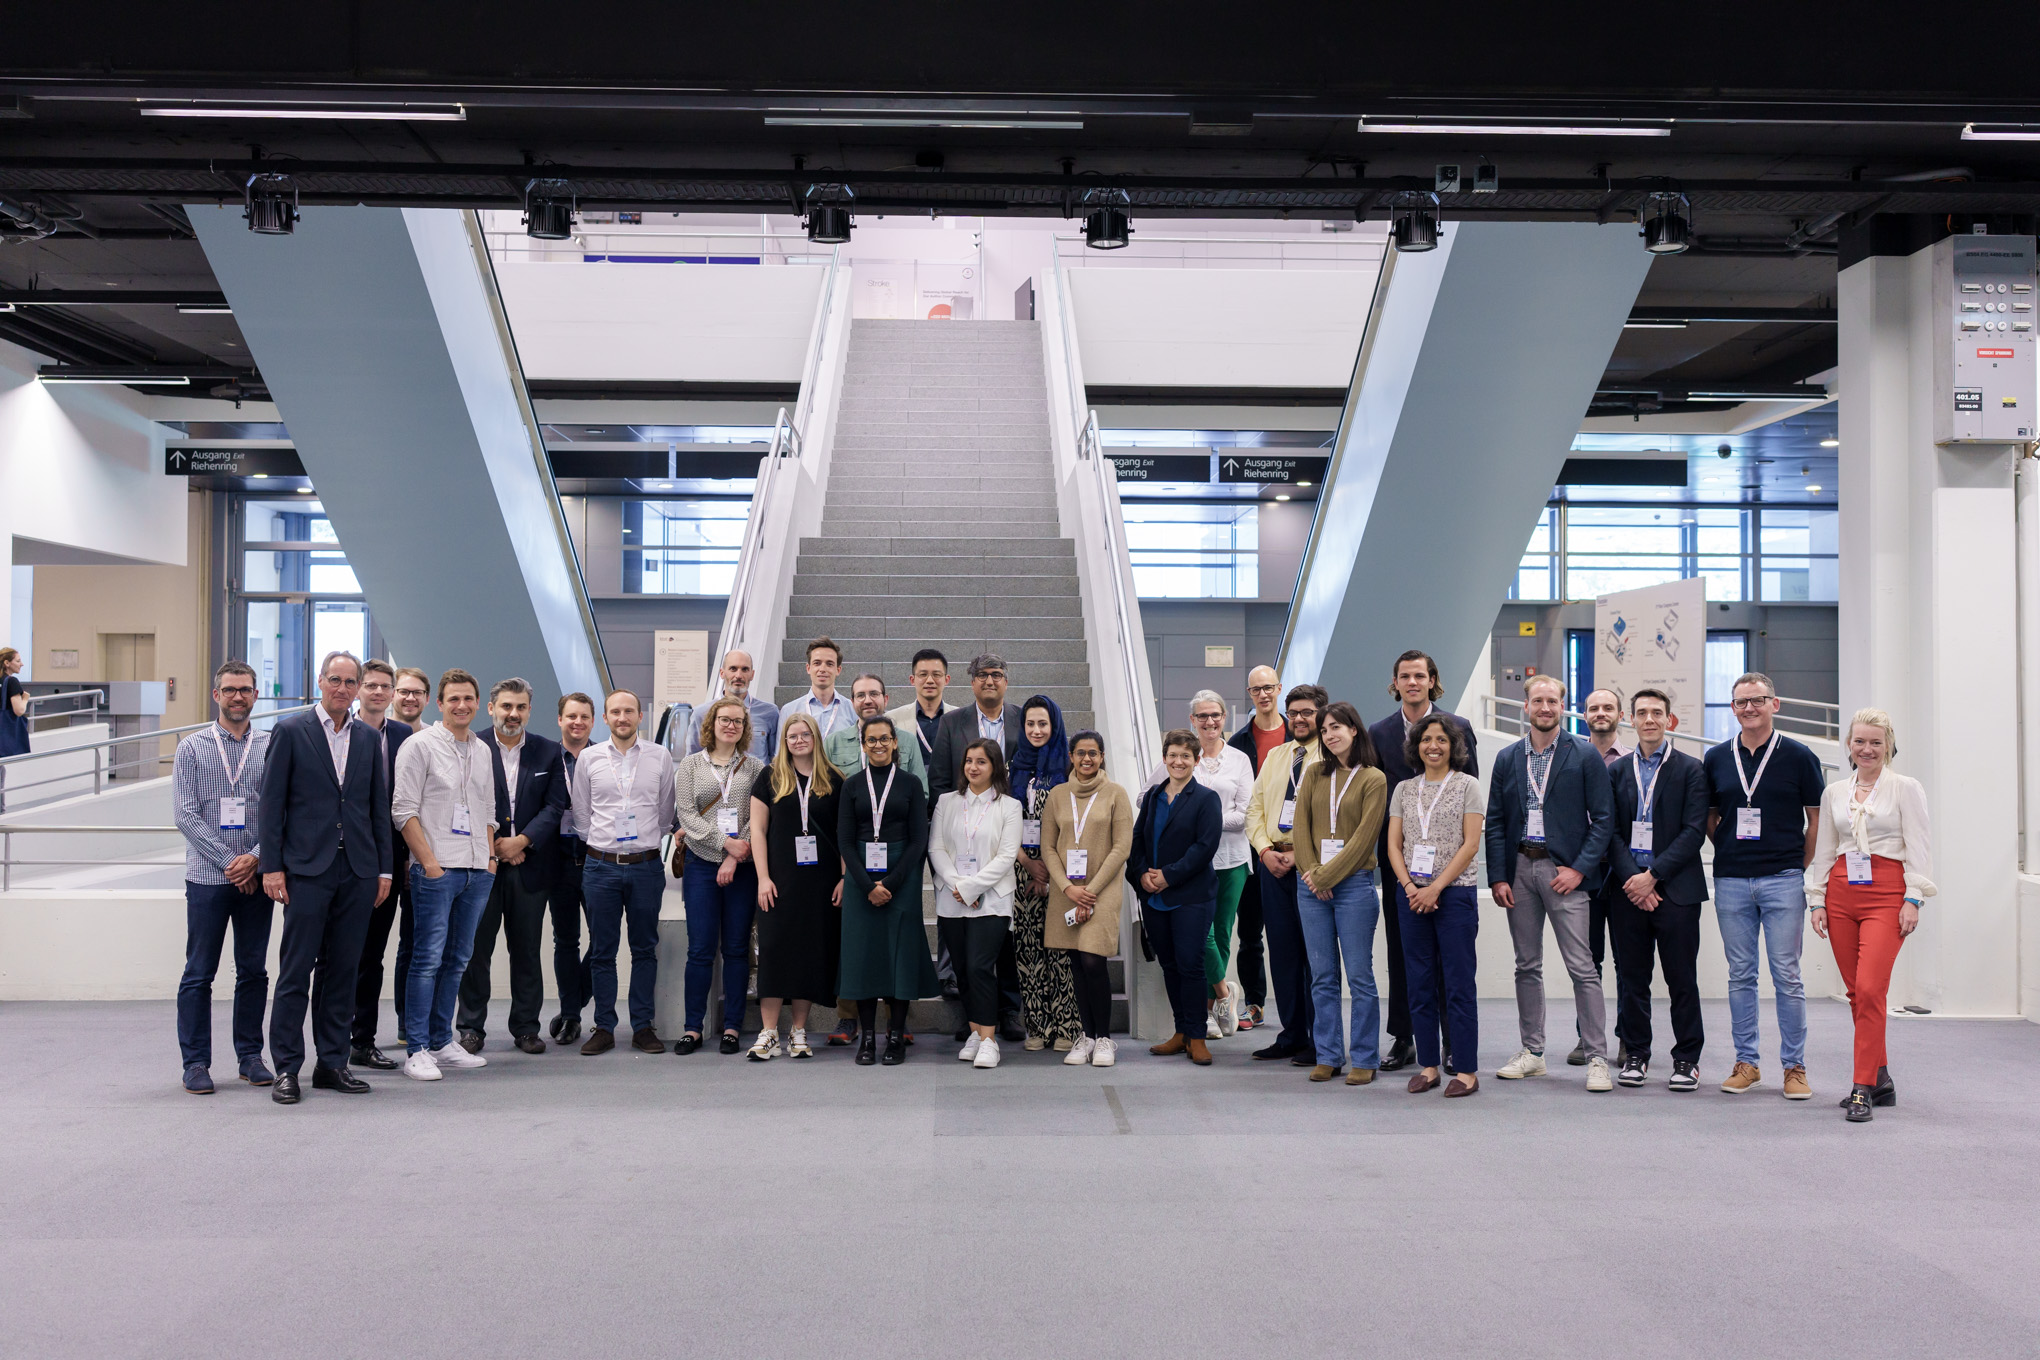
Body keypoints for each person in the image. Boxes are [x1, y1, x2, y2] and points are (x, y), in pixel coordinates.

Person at [256, 650, 392, 1105]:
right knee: (296, 971)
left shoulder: (368, 738)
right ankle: (286, 1068)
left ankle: (332, 1063)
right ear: (320, 681)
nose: (343, 688)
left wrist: (383, 869)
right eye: (335, 679)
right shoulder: (291, 731)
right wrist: (271, 866)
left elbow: (376, 808)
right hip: (306, 870)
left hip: (357, 870)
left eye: (351, 682)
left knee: (343, 972)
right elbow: (271, 804)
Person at [1484, 675, 1616, 1093]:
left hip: (1564, 873)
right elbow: (1496, 821)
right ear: (1526, 706)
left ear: (1562, 706)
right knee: (1526, 965)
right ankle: (1533, 1052)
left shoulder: (1584, 754)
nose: (1545, 708)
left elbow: (1604, 819)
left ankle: (1597, 1058)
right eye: (1537, 701)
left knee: (1582, 967)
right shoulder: (1507, 757)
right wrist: (1498, 876)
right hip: (1520, 869)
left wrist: (1579, 869)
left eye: (1552, 701)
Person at [1807, 708, 1934, 1123]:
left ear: (1888, 746)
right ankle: (1880, 1078)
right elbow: (1825, 849)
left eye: (1876, 742)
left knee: (1870, 988)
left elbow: (1919, 847)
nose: (1867, 749)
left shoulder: (1905, 788)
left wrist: (1913, 898)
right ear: (1848, 745)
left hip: (1887, 892)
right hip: (1841, 893)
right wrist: (1817, 899)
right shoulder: (1835, 792)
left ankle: (1861, 1087)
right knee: (1857, 993)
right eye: (1859, 741)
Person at [1703, 671, 1827, 1098]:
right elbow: (1711, 816)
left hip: (1783, 879)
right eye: (1741, 702)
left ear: (1775, 704)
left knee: (1787, 976)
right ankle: (1747, 1063)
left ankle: (1794, 1067)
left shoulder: (1800, 756)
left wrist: (1796, 864)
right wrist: (1731, 850)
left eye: (1757, 700)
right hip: (1732, 880)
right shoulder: (1717, 757)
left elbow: (1816, 820)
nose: (1749, 708)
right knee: (1740, 975)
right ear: (1733, 709)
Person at [1365, 650, 1480, 1072]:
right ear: (1395, 683)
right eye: (1404, 676)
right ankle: (1404, 1037)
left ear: (1432, 680)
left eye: (1419, 675)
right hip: (1402, 867)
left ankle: (1451, 1042)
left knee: (1450, 961)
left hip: (1450, 869)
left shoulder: (1457, 727)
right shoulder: (1378, 732)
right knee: (1403, 955)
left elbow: (1470, 791)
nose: (1412, 682)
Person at [171, 661, 275, 1094]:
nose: (237, 697)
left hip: (257, 878)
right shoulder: (192, 748)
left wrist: (254, 859)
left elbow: (283, 810)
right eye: (230, 689)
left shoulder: (271, 745)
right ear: (216, 695)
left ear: (256, 695)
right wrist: (232, 863)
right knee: (199, 972)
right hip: (207, 879)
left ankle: (250, 1057)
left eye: (245, 690)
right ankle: (196, 1063)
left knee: (253, 971)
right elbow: (185, 814)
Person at [391, 668, 498, 1083]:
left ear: (478, 704)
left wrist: (489, 859)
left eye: (468, 698)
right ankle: (416, 1048)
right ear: (440, 703)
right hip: (437, 870)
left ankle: (440, 1041)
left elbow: (488, 809)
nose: (462, 705)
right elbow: (403, 810)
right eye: (453, 698)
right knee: (427, 960)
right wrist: (430, 864)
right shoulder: (419, 745)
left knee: (458, 961)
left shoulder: (482, 749)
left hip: (476, 869)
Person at [1603, 688, 1709, 1091]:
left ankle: (1687, 1059)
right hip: (1627, 891)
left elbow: (1693, 832)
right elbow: (1609, 830)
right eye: (1642, 713)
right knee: (1632, 979)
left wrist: (1653, 876)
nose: (1649, 719)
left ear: (1670, 720)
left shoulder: (1691, 769)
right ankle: (1636, 1054)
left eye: (1657, 713)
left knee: (1682, 979)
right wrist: (1634, 878)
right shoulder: (1616, 771)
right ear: (1630, 719)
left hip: (1676, 891)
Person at [457, 678, 568, 1055]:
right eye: (506, 706)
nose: (513, 714)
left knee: (527, 951)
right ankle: (471, 1028)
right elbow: (461, 802)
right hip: (480, 867)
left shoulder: (548, 751)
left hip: (529, 866)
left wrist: (522, 841)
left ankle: (526, 1028)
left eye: (520, 707)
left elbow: (555, 806)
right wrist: (495, 848)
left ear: (529, 711)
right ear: (491, 708)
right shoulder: (472, 747)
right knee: (475, 951)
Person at [569, 689, 677, 1055]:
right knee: (602, 951)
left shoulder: (660, 757)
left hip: (646, 866)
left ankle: (642, 1026)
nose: (622, 717)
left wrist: (641, 842)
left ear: (640, 716)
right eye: (615, 712)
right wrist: (606, 844)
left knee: (644, 949)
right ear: (605, 718)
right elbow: (581, 815)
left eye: (629, 711)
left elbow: (665, 813)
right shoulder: (589, 758)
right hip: (601, 866)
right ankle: (604, 1027)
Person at [1385, 712, 1484, 1097]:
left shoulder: (1468, 785)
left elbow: (1471, 844)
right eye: (1426, 739)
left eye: (1441, 739)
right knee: (1419, 983)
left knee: (1458, 984)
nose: (1433, 746)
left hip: (1454, 894)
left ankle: (1467, 1070)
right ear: (1416, 746)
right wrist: (1411, 886)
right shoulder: (1404, 790)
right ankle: (1428, 1066)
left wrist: (1436, 888)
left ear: (1453, 745)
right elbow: (1394, 846)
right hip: (1411, 896)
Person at [1292, 701, 1390, 1084]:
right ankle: (1329, 1054)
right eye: (1324, 730)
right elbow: (1300, 829)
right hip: (1311, 885)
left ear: (1353, 729)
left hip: (1353, 886)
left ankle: (1365, 1057)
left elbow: (1365, 839)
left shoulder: (1373, 779)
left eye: (1336, 727)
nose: (1329, 734)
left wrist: (1327, 876)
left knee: (1359, 976)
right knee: (1322, 976)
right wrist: (1314, 875)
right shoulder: (1314, 773)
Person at [928, 653, 1025, 1039]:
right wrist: (953, 819)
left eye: (996, 674)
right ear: (971, 682)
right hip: (961, 836)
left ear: (1006, 681)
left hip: (1004, 830)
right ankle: (972, 1020)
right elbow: (940, 778)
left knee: (1004, 941)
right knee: (967, 955)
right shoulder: (953, 722)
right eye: (982, 675)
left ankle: (1009, 1009)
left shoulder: (1022, 718)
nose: (989, 680)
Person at [1150, 691, 1254, 1040]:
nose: (1210, 721)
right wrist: (1186, 820)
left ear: (1224, 717)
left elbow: (1246, 814)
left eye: (1215, 715)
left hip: (1230, 860)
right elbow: (1145, 797)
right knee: (1202, 936)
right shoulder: (1182, 756)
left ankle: (1208, 1011)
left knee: (1221, 933)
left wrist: (1201, 820)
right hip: (1189, 864)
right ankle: (1224, 993)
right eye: (1202, 716)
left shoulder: (1239, 759)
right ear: (1192, 720)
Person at [836, 715, 939, 1066]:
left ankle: (895, 1036)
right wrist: (867, 885)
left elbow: (919, 839)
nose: (878, 745)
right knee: (863, 956)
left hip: (902, 876)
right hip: (860, 876)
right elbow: (844, 840)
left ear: (895, 742)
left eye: (884, 739)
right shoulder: (852, 785)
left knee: (900, 954)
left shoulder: (910, 783)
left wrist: (890, 883)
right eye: (871, 740)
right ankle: (867, 1037)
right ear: (863, 745)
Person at [671, 697, 766, 1055]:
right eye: (725, 719)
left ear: (745, 728)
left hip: (742, 868)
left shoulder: (755, 767)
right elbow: (687, 815)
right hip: (700, 866)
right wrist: (724, 844)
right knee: (700, 950)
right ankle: (693, 1028)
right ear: (711, 724)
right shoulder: (691, 765)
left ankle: (732, 1027)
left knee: (737, 949)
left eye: (738, 721)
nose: (732, 726)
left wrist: (734, 856)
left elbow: (757, 818)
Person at [746, 712, 842, 1060]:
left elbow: (843, 835)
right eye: (792, 736)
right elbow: (757, 830)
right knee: (773, 953)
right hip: (778, 881)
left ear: (816, 738)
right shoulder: (769, 777)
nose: (799, 741)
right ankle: (769, 1032)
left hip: (820, 883)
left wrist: (844, 877)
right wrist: (762, 877)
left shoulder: (834, 779)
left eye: (805, 735)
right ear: (784, 742)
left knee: (809, 954)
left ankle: (798, 1031)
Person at [1129, 729, 1224, 1066]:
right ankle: (1181, 1031)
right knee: (1169, 965)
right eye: (1173, 755)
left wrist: (1168, 875)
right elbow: (1137, 839)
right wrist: (1142, 873)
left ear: (1197, 760)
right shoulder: (1153, 796)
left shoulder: (1207, 799)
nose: (1178, 761)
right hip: (1154, 896)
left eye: (1185, 756)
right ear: (1164, 759)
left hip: (1191, 895)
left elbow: (1205, 847)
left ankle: (1197, 1036)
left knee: (1190, 964)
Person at [1243, 684, 1327, 1066]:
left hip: (1313, 868)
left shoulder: (1332, 756)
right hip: (1273, 866)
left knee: (1315, 956)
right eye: (1293, 713)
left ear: (1321, 714)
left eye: (1307, 712)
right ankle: (1291, 1034)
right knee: (1283, 953)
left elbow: (1332, 816)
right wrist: (1264, 851)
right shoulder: (1277, 756)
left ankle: (1319, 1038)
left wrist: (1301, 854)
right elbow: (1255, 810)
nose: (1299, 719)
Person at [1043, 730, 1137, 1067]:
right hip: (1067, 889)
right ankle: (1086, 1037)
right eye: (1081, 753)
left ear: (1102, 757)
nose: (1087, 759)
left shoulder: (1116, 793)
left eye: (1093, 753)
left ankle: (1104, 1038)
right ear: (1071, 756)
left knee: (1094, 960)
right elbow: (1048, 848)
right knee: (1075, 963)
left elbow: (1122, 847)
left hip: (1102, 888)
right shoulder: (1057, 795)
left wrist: (1090, 891)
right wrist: (1068, 888)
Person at [346, 659, 413, 1071]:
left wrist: (402, 859)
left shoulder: (404, 735)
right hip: (344, 861)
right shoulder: (342, 732)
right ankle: (332, 1042)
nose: (378, 692)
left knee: (372, 957)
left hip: (389, 861)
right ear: (358, 689)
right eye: (370, 685)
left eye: (385, 686)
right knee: (340, 956)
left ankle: (363, 1041)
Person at [1007, 695, 1083, 1051]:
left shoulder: (1069, 768)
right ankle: (1037, 1026)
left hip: (1063, 874)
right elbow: (1005, 823)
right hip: (1023, 869)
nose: (1036, 730)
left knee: (1060, 949)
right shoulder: (1014, 767)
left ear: (1054, 726)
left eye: (1043, 724)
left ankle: (1067, 1026)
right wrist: (1028, 864)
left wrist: (1050, 872)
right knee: (1028, 950)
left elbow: (1077, 827)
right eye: (1030, 724)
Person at [1223, 664, 1286, 1028]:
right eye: (1256, 690)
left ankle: (1299, 1006)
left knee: (1291, 933)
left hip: (1292, 848)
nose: (1263, 694)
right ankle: (1254, 1003)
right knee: (1249, 933)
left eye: (1268, 687)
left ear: (1279, 689)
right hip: (1249, 848)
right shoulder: (1238, 743)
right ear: (1249, 694)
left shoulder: (1298, 735)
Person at [1573, 685, 1629, 1066]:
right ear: (1584, 715)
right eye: (1594, 708)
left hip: (1624, 874)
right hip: (1585, 874)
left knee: (1628, 962)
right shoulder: (1572, 758)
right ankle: (1587, 1038)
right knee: (1586, 962)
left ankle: (1628, 1038)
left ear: (1620, 715)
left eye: (1608, 708)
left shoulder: (1634, 761)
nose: (1601, 713)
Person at [548, 692, 595, 1045]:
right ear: (560, 720)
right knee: (565, 941)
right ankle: (572, 1018)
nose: (577, 722)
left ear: (593, 721)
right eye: (571, 716)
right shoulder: (547, 758)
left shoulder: (605, 758)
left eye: (584, 717)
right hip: (558, 863)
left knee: (603, 939)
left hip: (597, 862)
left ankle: (571, 1005)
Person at [388, 665, 431, 1039]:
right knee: (369, 950)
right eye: (403, 691)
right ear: (392, 695)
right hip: (382, 859)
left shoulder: (435, 740)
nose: (410, 698)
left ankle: (410, 1022)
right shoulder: (375, 737)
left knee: (417, 942)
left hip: (424, 857)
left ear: (427, 699)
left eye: (417, 692)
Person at [824, 673, 926, 787]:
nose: (867, 700)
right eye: (860, 695)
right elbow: (824, 788)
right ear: (852, 702)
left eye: (874, 694)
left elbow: (921, 790)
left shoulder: (908, 741)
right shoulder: (833, 742)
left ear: (885, 699)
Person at [683, 649, 779, 760]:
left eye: (745, 669)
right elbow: (692, 759)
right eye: (733, 669)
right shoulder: (701, 713)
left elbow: (775, 759)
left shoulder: (769, 712)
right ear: (722, 673)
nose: (738, 675)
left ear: (752, 675)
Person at [779, 636, 856, 746]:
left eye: (829, 664)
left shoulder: (852, 710)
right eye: (817, 663)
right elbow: (780, 753)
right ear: (808, 668)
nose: (822, 669)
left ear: (838, 670)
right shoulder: (789, 711)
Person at [890, 648, 957, 771]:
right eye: (923, 674)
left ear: (946, 680)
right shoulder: (893, 720)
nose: (930, 680)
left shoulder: (960, 718)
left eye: (936, 675)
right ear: (912, 680)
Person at [0, 646, 29, 813]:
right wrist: (25, 699)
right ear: (7, 663)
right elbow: (19, 710)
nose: (22, 664)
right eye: (18, 661)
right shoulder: (11, 682)